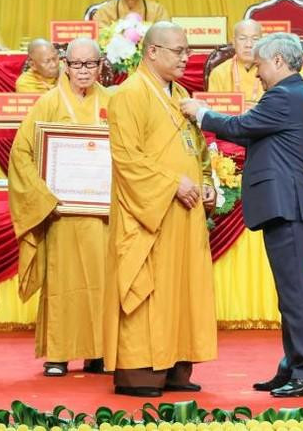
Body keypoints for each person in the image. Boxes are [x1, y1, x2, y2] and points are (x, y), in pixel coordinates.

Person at [181, 32, 303, 398]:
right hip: (286, 208)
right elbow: (251, 135)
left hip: (289, 207)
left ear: (278, 61)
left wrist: (202, 114)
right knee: (289, 295)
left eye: (259, 65)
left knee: (298, 295)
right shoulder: (288, 95)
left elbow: (241, 127)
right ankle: (293, 366)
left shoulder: (285, 95)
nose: (257, 72)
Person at [103, 22, 216, 397]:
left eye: (187, 51)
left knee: (183, 287)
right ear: (152, 51)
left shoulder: (181, 94)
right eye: (178, 51)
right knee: (148, 290)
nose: (187, 57)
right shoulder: (129, 95)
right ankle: (141, 372)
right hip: (148, 214)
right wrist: (171, 185)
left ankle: (176, 366)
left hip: (185, 213)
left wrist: (206, 181)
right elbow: (127, 160)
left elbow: (197, 149)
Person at [8, 38, 112, 377]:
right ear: (65, 65)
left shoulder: (114, 103)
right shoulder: (47, 103)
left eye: (90, 64)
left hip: (103, 215)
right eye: (77, 64)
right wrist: (43, 198)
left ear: (100, 67)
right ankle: (58, 353)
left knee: (102, 282)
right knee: (63, 284)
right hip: (61, 213)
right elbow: (21, 155)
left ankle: (99, 352)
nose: (83, 71)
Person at [207, 20, 264, 104]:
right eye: (242, 38)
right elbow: (213, 111)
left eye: (255, 39)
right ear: (233, 42)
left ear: (262, 42)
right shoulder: (219, 72)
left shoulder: (271, 72)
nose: (249, 45)